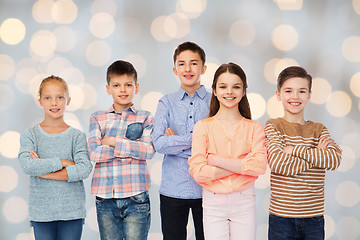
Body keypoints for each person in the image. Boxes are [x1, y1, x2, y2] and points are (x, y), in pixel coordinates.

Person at [188, 63, 267, 240]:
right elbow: (198, 172)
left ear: (244, 91)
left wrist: (214, 160)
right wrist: (242, 166)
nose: (229, 92)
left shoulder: (255, 128)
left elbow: (259, 167)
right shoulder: (203, 127)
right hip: (213, 202)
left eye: (236, 87)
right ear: (215, 90)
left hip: (244, 201)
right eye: (223, 87)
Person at [265, 66, 342, 240]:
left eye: (301, 91)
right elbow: (277, 163)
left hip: (314, 218)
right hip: (281, 217)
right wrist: (316, 154)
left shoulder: (318, 129)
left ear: (309, 95)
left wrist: (293, 150)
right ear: (278, 95)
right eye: (288, 91)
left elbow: (334, 160)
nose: (295, 96)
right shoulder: (274, 126)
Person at [18, 75, 92, 240]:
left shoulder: (77, 136)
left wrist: (43, 172)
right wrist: (62, 162)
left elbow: (84, 168)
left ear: (68, 100)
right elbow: (27, 165)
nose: (54, 103)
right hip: (41, 212)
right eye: (48, 98)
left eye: (59, 97)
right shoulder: (31, 135)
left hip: (72, 211)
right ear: (40, 101)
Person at [87, 60, 155, 240]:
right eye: (116, 85)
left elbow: (148, 151)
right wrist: (129, 149)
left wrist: (111, 141)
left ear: (136, 87)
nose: (123, 90)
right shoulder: (98, 118)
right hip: (105, 198)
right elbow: (94, 153)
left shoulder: (145, 117)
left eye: (128, 85)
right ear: (108, 89)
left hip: (136, 196)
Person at [152, 41, 210, 240]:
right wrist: (199, 141)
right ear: (175, 69)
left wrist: (175, 142)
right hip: (173, 189)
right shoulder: (166, 102)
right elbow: (159, 143)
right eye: (182, 63)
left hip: (208, 190)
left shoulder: (216, 101)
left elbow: (218, 145)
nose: (188, 68)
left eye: (193, 63)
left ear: (203, 67)